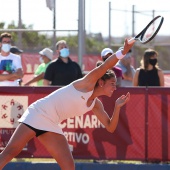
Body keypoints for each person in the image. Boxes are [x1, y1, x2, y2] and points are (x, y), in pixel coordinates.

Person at [0, 38, 135, 170]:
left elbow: (110, 127)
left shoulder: (96, 104)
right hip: (38, 113)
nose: (115, 87)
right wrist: (123, 51)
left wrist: (117, 107)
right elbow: (106, 65)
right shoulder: (86, 84)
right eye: (112, 84)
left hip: (51, 123)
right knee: (10, 152)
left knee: (69, 166)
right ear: (101, 83)